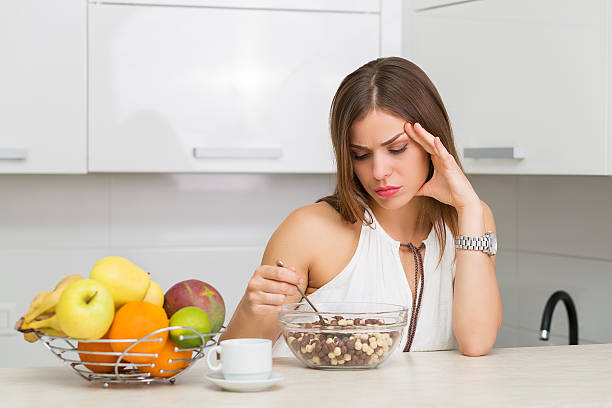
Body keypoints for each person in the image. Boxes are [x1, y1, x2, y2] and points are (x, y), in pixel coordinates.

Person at [219, 57, 502, 357]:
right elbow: (235, 358)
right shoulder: (309, 230)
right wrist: (251, 309)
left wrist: (469, 207)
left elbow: (476, 342)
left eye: (397, 149)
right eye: (361, 155)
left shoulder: (471, 220)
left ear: (434, 141)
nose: (379, 171)